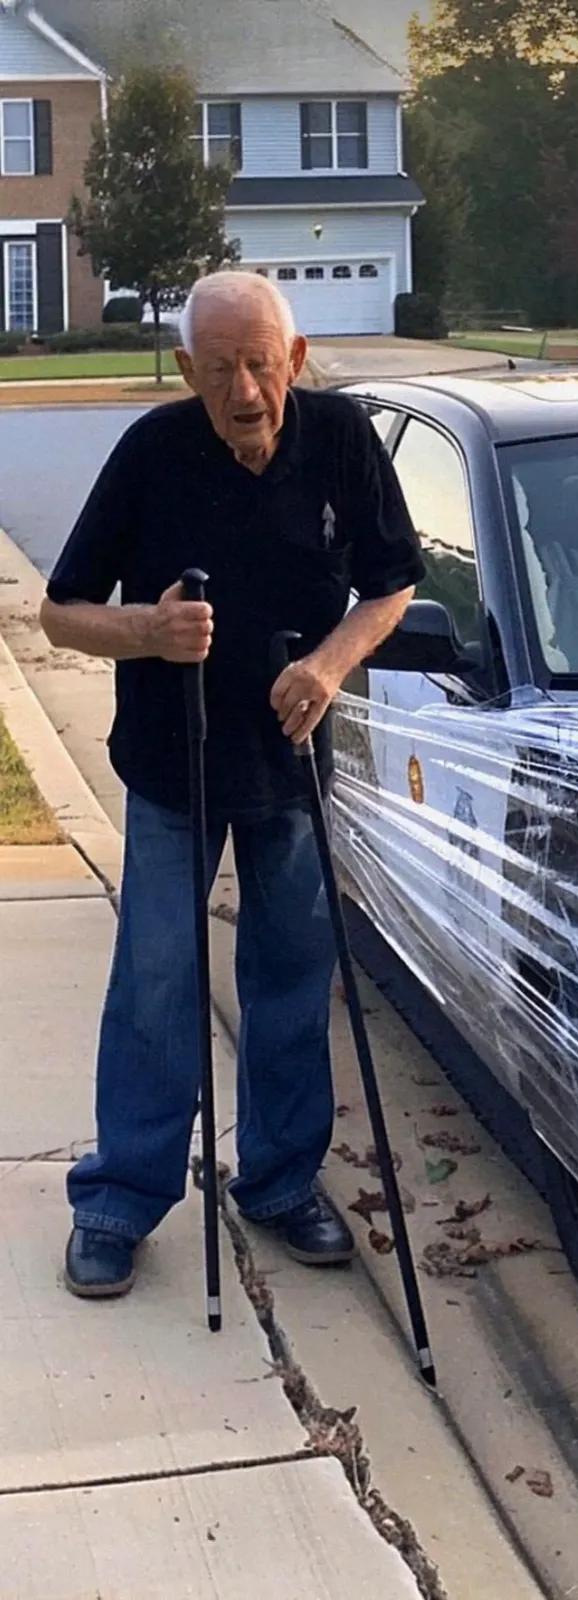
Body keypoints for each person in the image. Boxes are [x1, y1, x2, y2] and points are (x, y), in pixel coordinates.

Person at [40, 271, 425, 1298]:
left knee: (291, 980)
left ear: (295, 360)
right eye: (219, 371)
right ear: (187, 371)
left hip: (291, 758)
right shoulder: (153, 454)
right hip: (175, 761)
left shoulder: (339, 439)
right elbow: (60, 611)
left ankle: (280, 1181)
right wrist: (148, 633)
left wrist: (332, 663)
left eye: (261, 364)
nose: (244, 391)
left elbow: (392, 584)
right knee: (158, 982)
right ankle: (121, 1196)